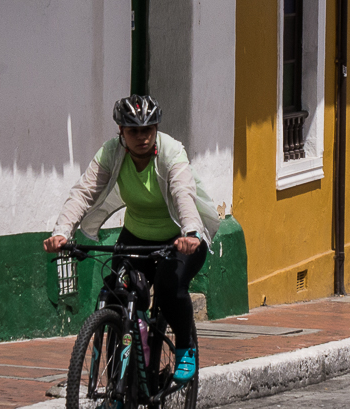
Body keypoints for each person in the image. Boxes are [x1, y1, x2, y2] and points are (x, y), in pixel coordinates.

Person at [44, 95, 223, 383]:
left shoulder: (171, 152)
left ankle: (185, 348)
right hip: (136, 237)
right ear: (121, 132)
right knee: (117, 299)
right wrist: (62, 232)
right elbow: (83, 192)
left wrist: (191, 232)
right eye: (133, 131)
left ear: (155, 130)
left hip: (178, 240)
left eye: (148, 130)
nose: (141, 137)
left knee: (168, 286)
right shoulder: (111, 154)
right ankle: (119, 389)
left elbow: (183, 193)